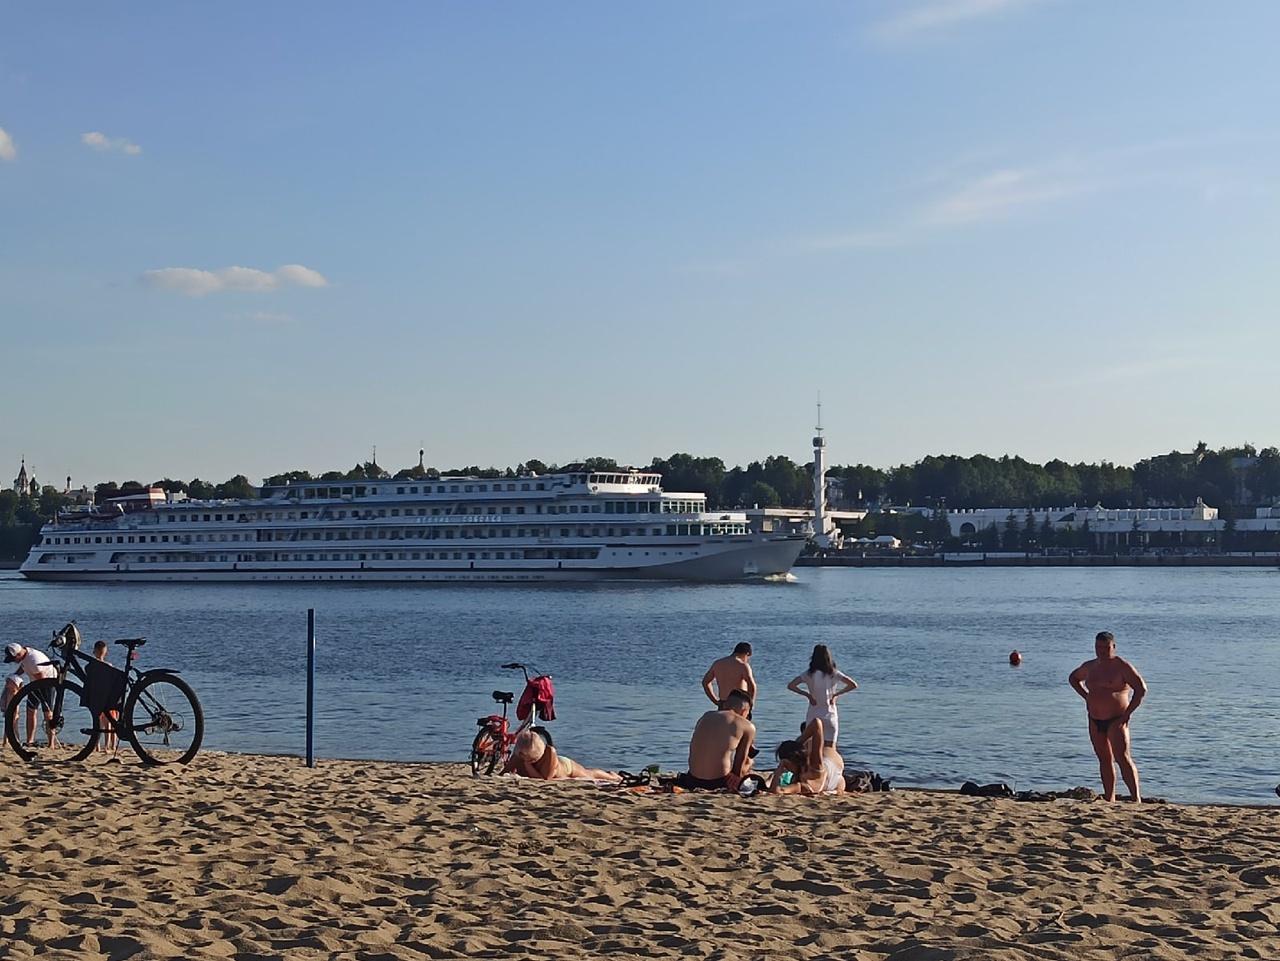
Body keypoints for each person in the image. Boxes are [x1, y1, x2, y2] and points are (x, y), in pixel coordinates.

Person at [1069, 631, 1147, 803]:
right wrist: (1086, 696)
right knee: (1104, 759)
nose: (1102, 651)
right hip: (1095, 719)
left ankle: (1136, 799)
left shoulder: (1122, 666)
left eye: (1106, 648)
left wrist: (1127, 715)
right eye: (1098, 647)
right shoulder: (1090, 666)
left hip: (1116, 719)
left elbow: (1141, 690)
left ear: (1113, 647)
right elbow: (1073, 678)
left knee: (1123, 757)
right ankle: (1109, 798)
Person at [681, 689, 755, 790]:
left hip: (692, 780)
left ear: (725, 705)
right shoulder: (747, 726)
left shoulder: (705, 716)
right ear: (744, 711)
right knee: (749, 762)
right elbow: (739, 765)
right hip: (719, 782)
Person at [787, 644, 857, 748]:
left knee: (811, 748)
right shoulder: (834, 673)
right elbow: (853, 685)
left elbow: (791, 686)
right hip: (829, 713)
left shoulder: (808, 674)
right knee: (830, 750)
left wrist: (808, 695)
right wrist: (835, 695)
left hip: (814, 714)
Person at [505, 728, 622, 782]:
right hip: (558, 765)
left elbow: (544, 780)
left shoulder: (550, 752)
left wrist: (528, 766)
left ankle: (612, 776)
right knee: (589, 772)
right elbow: (503, 773)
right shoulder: (520, 753)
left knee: (589, 774)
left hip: (566, 767)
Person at [2, 641, 59, 749]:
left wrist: (30, 690)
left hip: (47, 683)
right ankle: (30, 740)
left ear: (18, 655)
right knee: (31, 711)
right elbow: (23, 667)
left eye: (14, 659)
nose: (14, 662)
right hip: (34, 683)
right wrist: (14, 675)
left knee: (47, 714)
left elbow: (41, 679)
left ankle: (51, 743)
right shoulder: (24, 656)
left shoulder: (33, 659)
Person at [768, 717, 845, 795]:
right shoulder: (800, 781)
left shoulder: (815, 766)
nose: (786, 767)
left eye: (785, 764)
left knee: (810, 746)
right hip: (836, 779)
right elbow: (776, 791)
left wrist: (798, 743)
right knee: (809, 746)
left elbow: (817, 723)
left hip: (832, 760)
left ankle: (800, 743)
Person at [701, 643, 757, 710]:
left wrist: (715, 700)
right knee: (739, 721)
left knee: (722, 720)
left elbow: (705, 682)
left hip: (723, 703)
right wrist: (751, 703)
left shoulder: (718, 663)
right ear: (747, 654)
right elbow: (752, 686)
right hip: (739, 703)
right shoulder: (742, 666)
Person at [92, 641, 120, 753]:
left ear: (94, 652)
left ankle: (98, 746)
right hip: (108, 698)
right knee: (110, 724)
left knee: (98, 724)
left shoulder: (91, 666)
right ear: (106, 653)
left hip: (97, 697)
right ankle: (110, 746)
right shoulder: (109, 666)